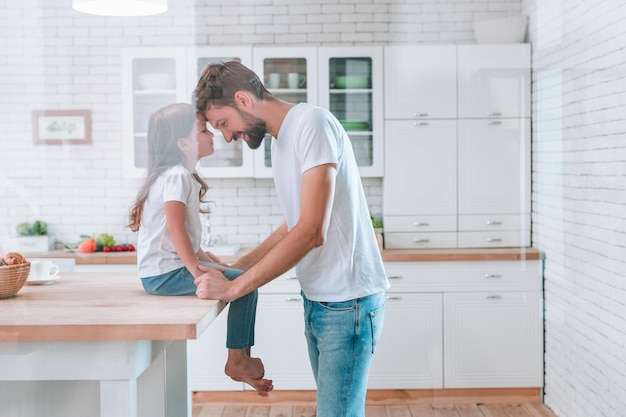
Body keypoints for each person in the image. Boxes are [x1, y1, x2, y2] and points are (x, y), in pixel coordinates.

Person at [193, 61, 389, 416]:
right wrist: (237, 268)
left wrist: (235, 289)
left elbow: (313, 231)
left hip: (349, 302)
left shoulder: (311, 124)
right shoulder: (281, 141)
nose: (225, 136)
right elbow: (294, 223)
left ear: (243, 99)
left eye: (223, 123)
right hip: (320, 298)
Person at [126, 102, 273, 392]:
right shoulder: (177, 175)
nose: (212, 135)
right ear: (183, 143)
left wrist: (208, 261)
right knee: (246, 285)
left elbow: (184, 239)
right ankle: (238, 359)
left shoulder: (177, 175)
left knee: (239, 276)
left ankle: (239, 358)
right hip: (166, 274)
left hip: (161, 272)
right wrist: (198, 272)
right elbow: (175, 228)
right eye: (204, 130)